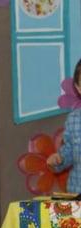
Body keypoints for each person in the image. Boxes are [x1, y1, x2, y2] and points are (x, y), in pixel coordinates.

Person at [47, 58, 81, 193]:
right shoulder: (73, 120)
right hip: (77, 195)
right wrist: (59, 160)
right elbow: (68, 152)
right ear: (78, 88)